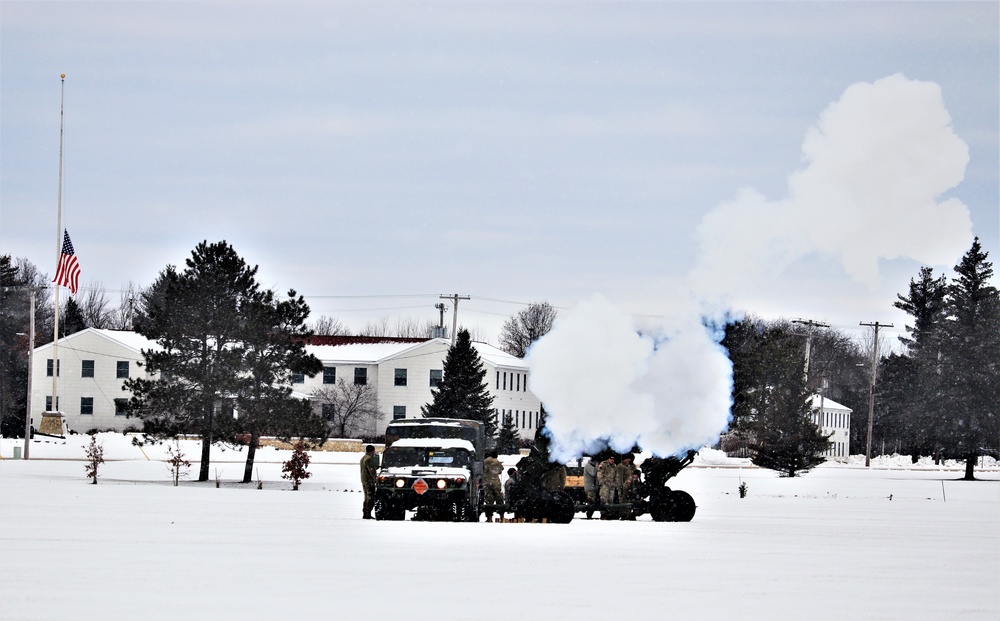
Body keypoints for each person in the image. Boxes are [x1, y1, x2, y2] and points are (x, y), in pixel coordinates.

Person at [483, 451, 504, 522]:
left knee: (489, 501)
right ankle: (502, 516)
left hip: (486, 482)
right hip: (496, 482)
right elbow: (500, 470)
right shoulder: (496, 461)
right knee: (499, 499)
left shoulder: (484, 462)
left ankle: (489, 518)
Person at [360, 445, 378, 519]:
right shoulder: (369, 458)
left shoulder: (363, 458)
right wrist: (375, 478)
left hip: (364, 480)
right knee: (370, 497)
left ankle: (365, 513)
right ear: (372, 451)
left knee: (366, 497)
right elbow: (371, 470)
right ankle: (367, 514)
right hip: (369, 480)